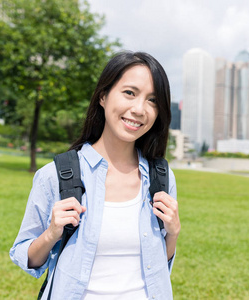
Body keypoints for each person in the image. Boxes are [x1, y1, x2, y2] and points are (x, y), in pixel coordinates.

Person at [10, 51, 180, 299]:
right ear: (103, 95)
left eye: (152, 100)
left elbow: (157, 267)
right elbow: (26, 256)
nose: (139, 109)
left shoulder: (162, 177)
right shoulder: (56, 175)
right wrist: (51, 233)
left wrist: (172, 233)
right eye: (130, 93)